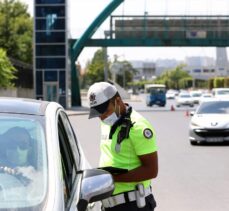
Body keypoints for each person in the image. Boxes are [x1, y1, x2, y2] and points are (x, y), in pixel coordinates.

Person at [87, 82, 158, 211]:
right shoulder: (108, 121)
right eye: (98, 114)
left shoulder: (138, 127)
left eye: (105, 111)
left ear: (118, 101)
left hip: (133, 205)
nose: (102, 117)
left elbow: (151, 170)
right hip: (110, 205)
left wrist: (111, 178)